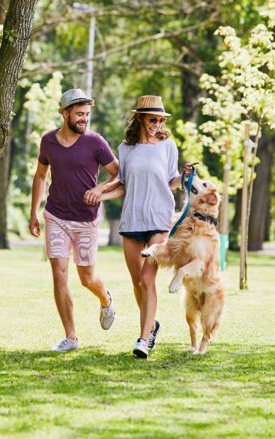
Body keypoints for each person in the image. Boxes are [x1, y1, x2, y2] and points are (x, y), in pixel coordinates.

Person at [95, 95, 193, 359]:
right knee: (137, 282)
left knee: (148, 279)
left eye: (161, 120)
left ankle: (143, 338)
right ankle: (152, 325)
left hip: (159, 218)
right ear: (140, 117)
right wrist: (101, 195)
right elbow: (124, 185)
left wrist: (183, 178)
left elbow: (171, 179)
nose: (157, 124)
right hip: (132, 219)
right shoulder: (125, 149)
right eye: (153, 119)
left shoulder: (168, 145)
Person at [29, 88, 121, 353]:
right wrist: (34, 212)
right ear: (65, 113)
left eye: (87, 115)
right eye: (79, 114)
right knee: (59, 276)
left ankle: (105, 298)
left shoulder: (96, 142)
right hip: (56, 216)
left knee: (87, 279)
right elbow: (40, 175)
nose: (84, 119)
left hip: (86, 220)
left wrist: (99, 190)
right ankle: (71, 337)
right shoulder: (48, 141)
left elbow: (117, 175)